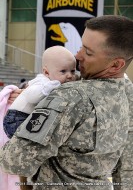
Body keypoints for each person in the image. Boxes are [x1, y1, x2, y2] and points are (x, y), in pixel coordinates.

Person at [0, 15, 133, 190]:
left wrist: (37, 107)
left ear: (116, 64)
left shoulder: (69, 97)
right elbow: (127, 167)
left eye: (88, 52)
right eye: (81, 47)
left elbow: (14, 161)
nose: (77, 56)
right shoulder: (128, 92)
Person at [3, 45, 76, 139]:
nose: (70, 76)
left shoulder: (53, 82)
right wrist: (48, 88)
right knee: (31, 142)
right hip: (17, 118)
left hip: (27, 117)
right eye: (63, 71)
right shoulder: (42, 83)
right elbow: (31, 97)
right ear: (46, 72)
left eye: (73, 71)